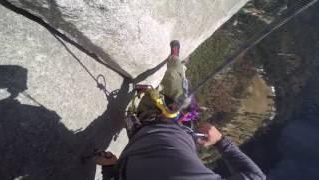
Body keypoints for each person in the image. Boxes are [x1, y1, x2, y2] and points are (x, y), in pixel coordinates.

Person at [94, 41, 266, 180]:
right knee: (177, 88)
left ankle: (177, 64)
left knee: (168, 92)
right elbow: (255, 176)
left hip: (146, 126)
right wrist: (221, 141)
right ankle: (176, 62)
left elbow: (255, 176)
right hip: (166, 130)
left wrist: (109, 170)